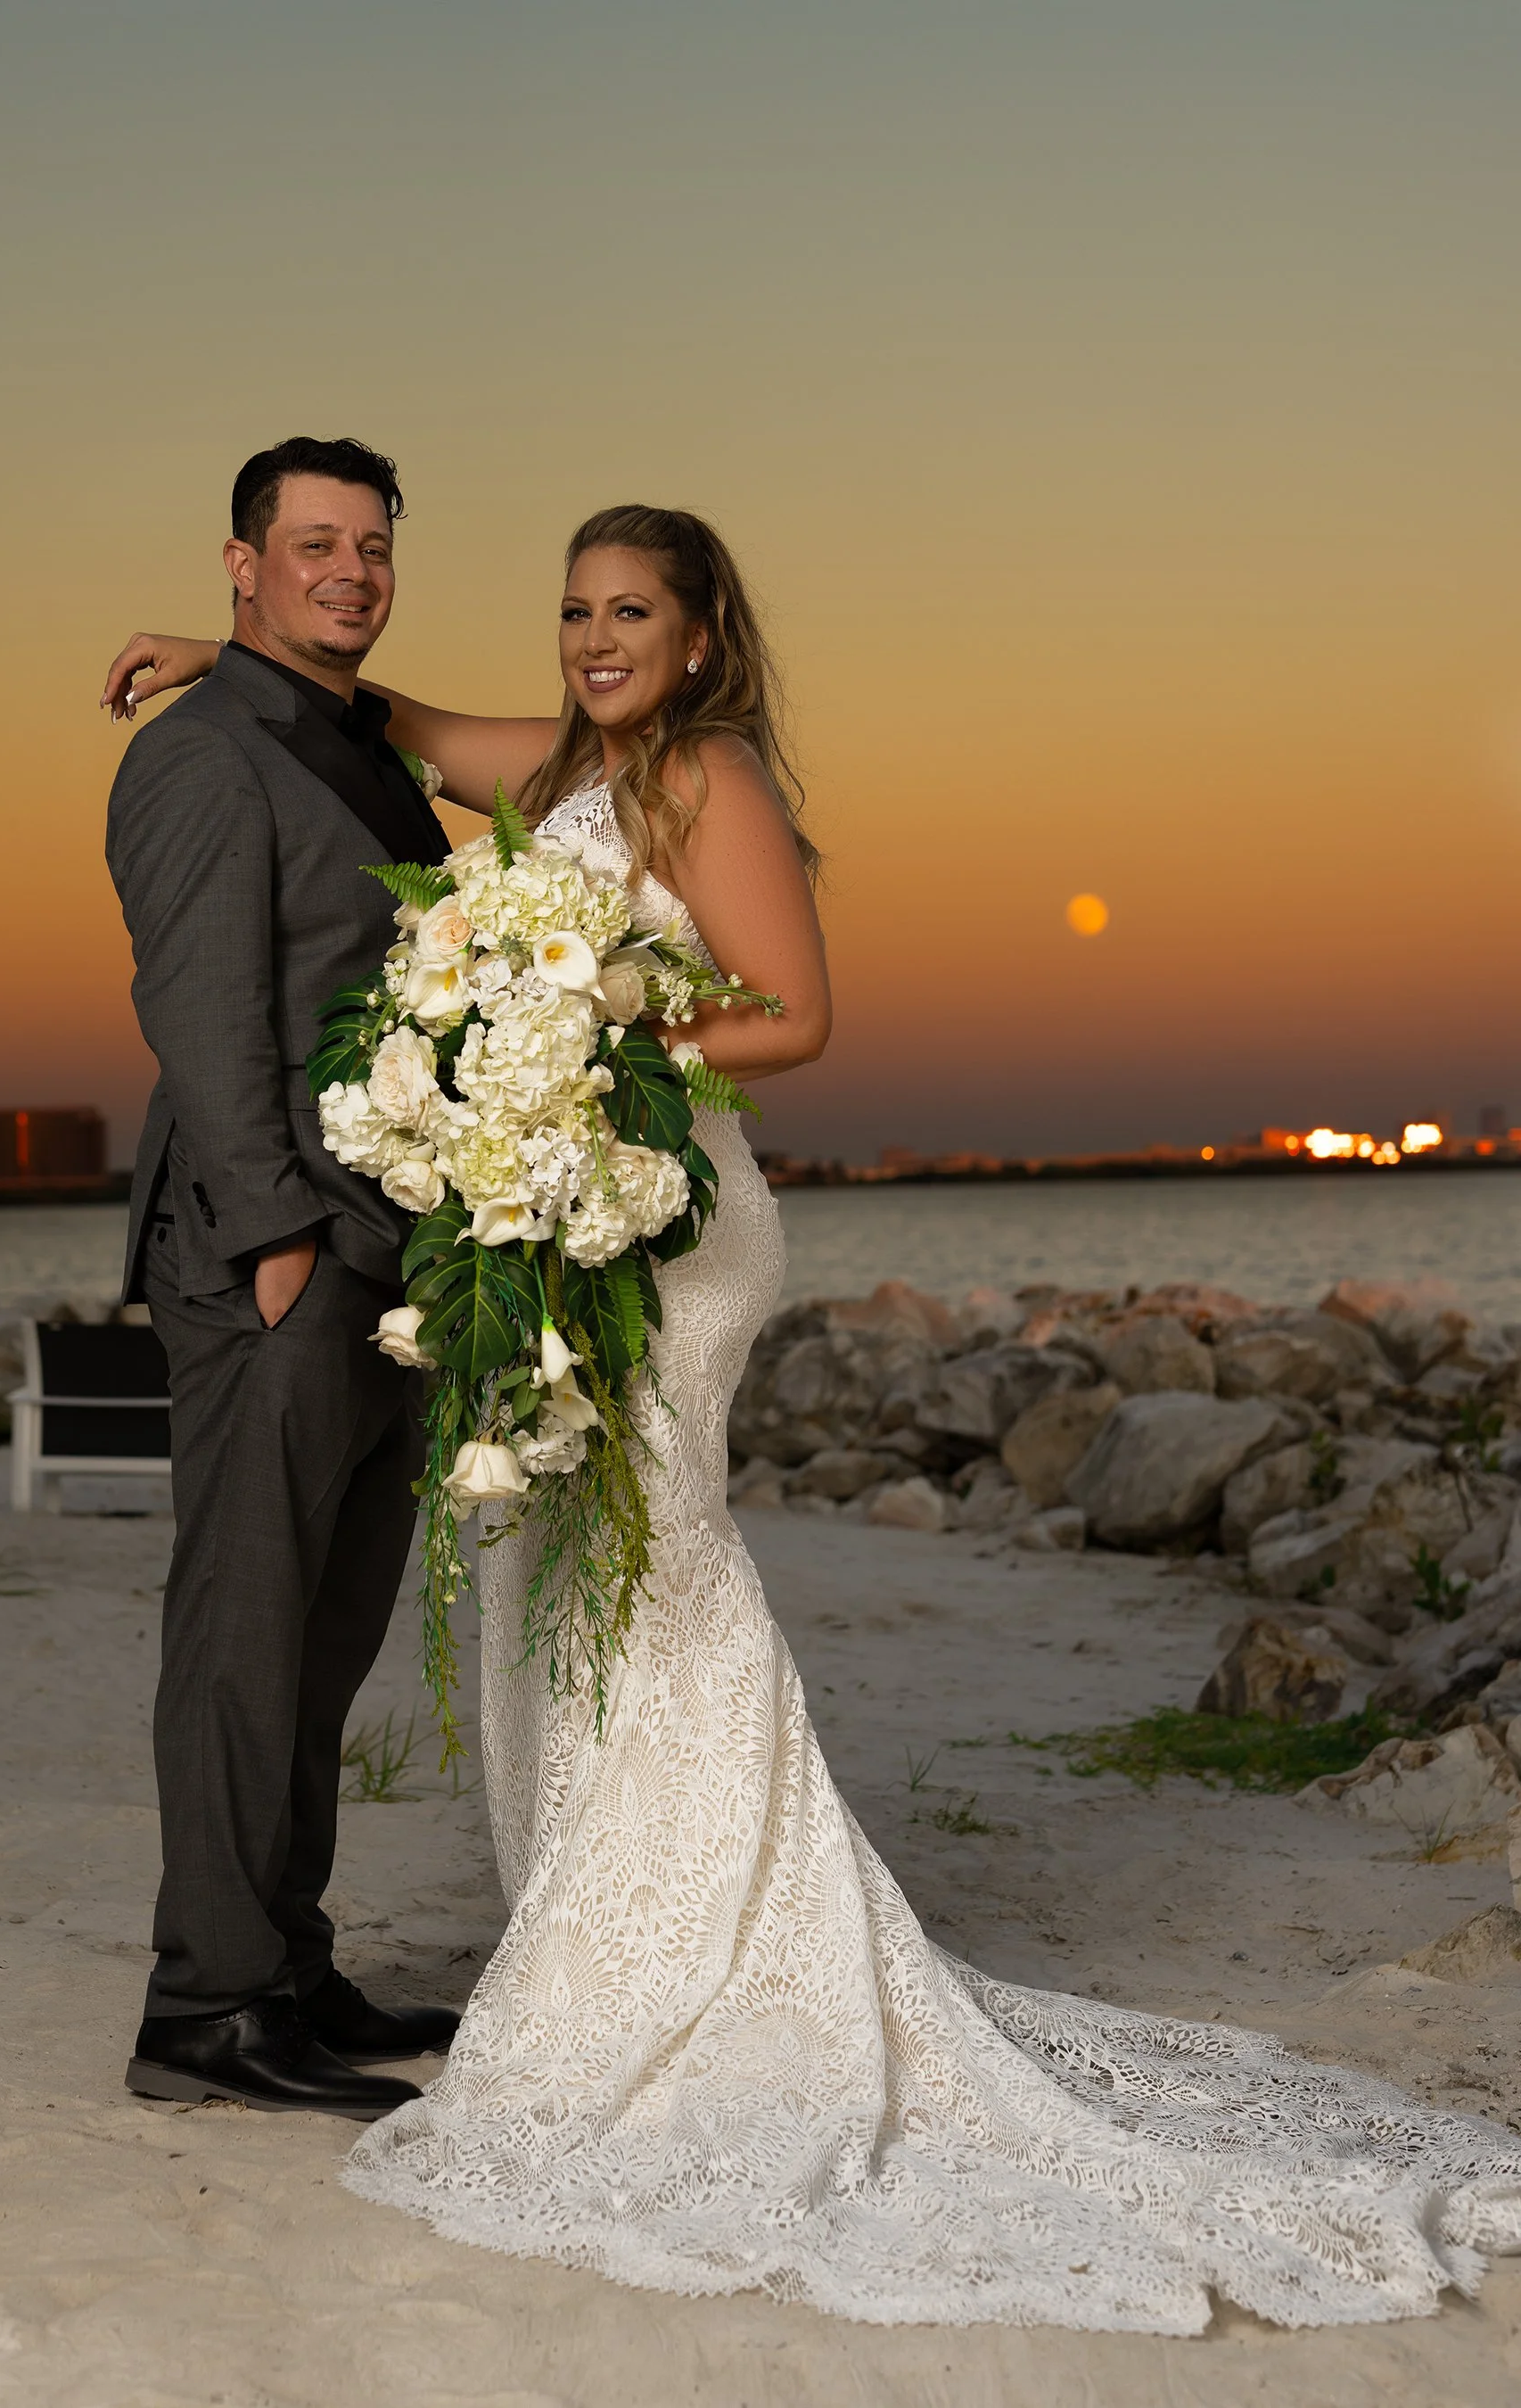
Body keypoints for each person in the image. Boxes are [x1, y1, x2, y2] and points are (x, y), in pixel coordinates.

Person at [101, 506, 1521, 2329]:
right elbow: (396, 724)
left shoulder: (704, 775)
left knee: (649, 1558)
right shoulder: (576, 760)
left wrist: (593, 1030)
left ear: (701, 638)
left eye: (632, 612)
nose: (596, 636)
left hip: (669, 1223)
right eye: (574, 609)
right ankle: (587, 1962)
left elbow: (798, 1016)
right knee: (550, 1570)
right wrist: (222, 652)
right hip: (577, 1206)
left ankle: (692, 1969)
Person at [104, 435, 460, 2123]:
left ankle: (288, 1961)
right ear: (239, 561)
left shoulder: (342, 738)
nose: (352, 570)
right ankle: (208, 2011)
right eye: (313, 543)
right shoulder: (198, 760)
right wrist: (275, 1238)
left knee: (326, 1630)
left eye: (372, 545)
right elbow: (198, 1011)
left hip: (380, 1252)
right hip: (275, 1252)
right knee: (246, 1633)